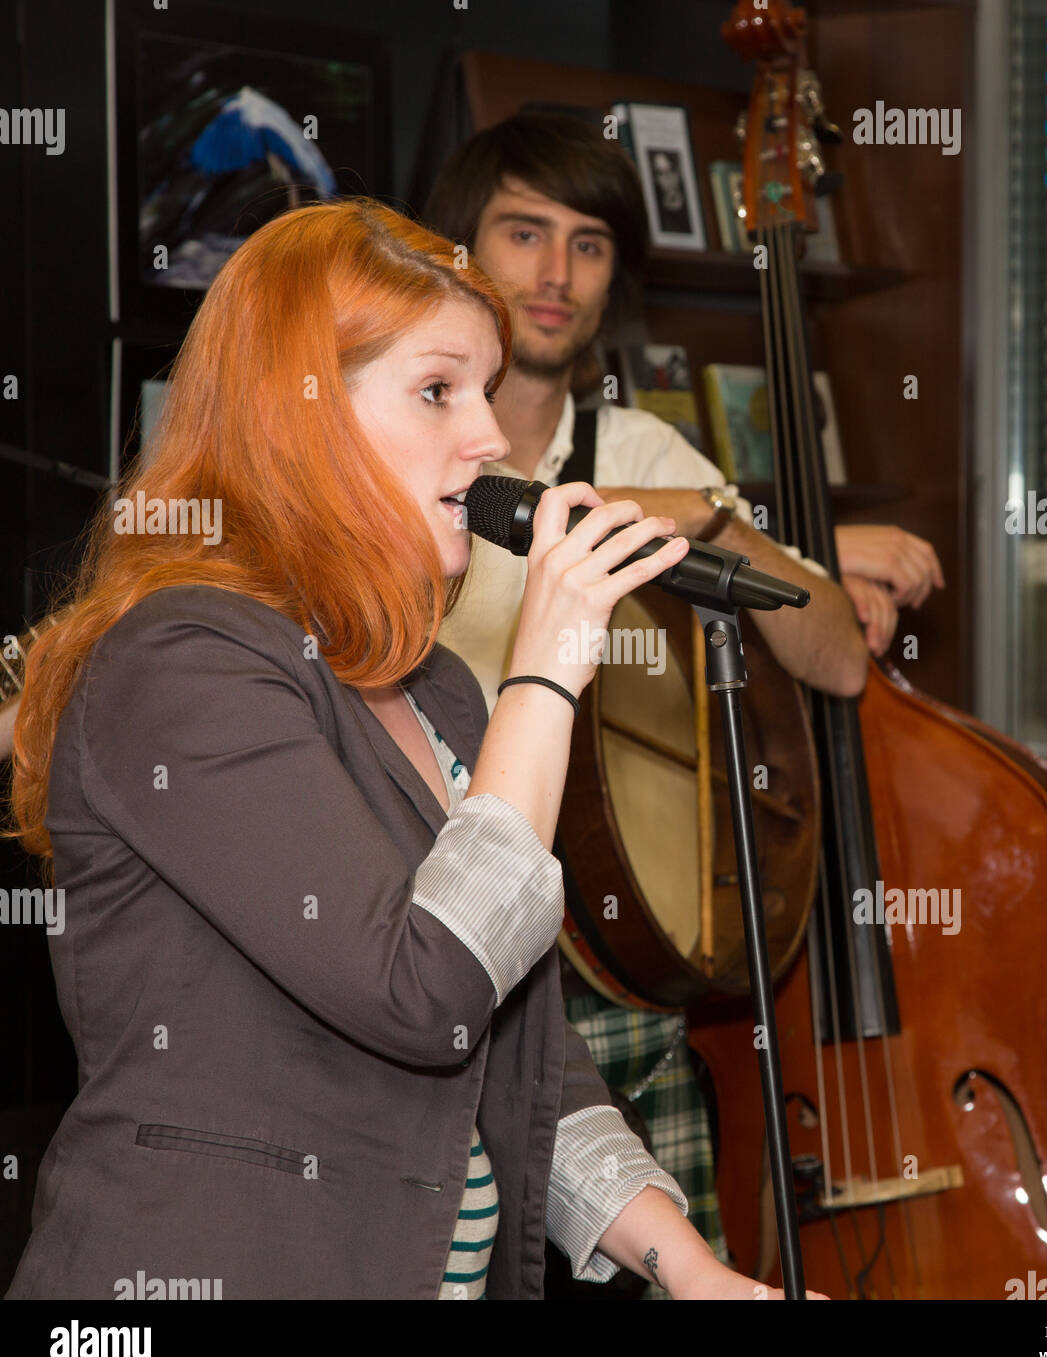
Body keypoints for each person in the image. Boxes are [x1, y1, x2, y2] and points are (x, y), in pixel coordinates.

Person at [4, 198, 819, 1300]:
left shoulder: (431, 685)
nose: (487, 436)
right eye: (438, 390)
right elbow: (422, 988)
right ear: (298, 420)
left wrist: (692, 1268)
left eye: (485, 390)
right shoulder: (181, 661)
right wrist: (545, 670)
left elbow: (528, 1051)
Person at [420, 111, 943, 1291]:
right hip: (430, 922)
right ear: (459, 249)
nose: (556, 274)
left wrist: (706, 517)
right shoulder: (413, 450)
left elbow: (837, 660)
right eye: (523, 232)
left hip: (613, 952)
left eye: (591, 244)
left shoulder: (646, 448)